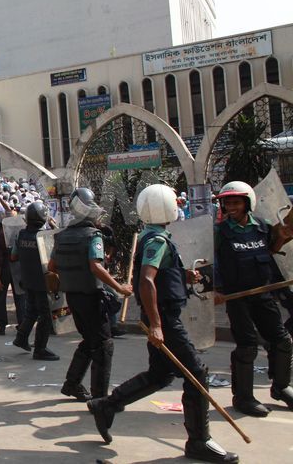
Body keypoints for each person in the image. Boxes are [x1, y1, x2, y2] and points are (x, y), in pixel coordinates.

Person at [88, 184, 238, 463]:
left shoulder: (154, 236)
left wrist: (183, 276)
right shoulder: (156, 240)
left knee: (160, 375)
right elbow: (146, 280)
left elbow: (157, 277)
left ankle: (106, 405)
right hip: (165, 319)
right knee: (197, 374)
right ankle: (198, 440)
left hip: (162, 316)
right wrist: (157, 324)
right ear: (169, 207)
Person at [213, 180, 293, 417]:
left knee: (282, 341)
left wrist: (283, 236)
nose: (231, 207)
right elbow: (211, 262)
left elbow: (271, 251)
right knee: (247, 347)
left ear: (248, 203)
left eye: (236, 202)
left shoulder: (262, 226)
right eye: (227, 203)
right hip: (237, 298)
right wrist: (216, 289)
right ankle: (243, 397)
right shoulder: (219, 232)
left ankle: (281, 387)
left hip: (262, 292)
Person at [53, 188, 132, 402]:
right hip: (91, 296)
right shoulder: (93, 236)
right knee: (104, 345)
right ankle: (100, 399)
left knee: (89, 341)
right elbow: (96, 267)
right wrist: (119, 287)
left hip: (73, 296)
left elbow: (52, 265)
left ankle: (72, 384)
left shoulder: (61, 236)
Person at [11, 202, 59, 361]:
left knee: (31, 311)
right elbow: (53, 259)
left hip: (27, 279)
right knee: (45, 316)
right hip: (42, 281)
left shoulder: (20, 235)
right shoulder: (45, 237)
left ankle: (21, 338)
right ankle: (40, 349)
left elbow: (13, 257)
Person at [0, 210, 24, 335]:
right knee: (20, 296)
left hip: (4, 268)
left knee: (1, 297)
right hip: (17, 266)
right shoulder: (15, 232)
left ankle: (1, 327)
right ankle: (22, 324)